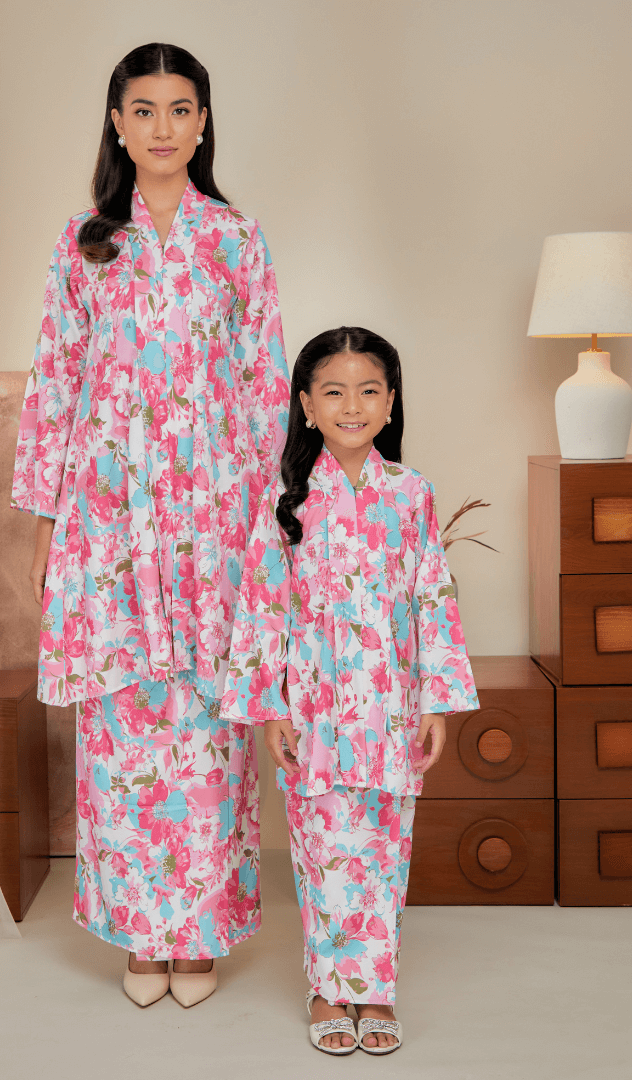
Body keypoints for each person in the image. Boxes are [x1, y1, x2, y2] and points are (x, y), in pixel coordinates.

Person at [12, 42, 290, 1008]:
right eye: (144, 109)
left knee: (211, 720)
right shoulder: (85, 241)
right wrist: (47, 528)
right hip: (109, 516)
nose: (163, 127)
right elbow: (54, 384)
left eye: (180, 109)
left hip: (215, 513)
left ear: (203, 123)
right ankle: (141, 930)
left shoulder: (237, 240)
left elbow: (266, 386)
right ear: (118, 123)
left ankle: (199, 932)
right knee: (123, 724)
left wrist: (270, 525)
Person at [221, 327, 478, 1053]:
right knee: (323, 848)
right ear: (306, 406)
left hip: (391, 707)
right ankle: (328, 989)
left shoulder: (412, 494)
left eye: (369, 391)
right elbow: (263, 607)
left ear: (391, 402)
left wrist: (436, 702)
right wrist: (269, 707)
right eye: (333, 392)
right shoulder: (286, 499)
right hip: (314, 710)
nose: (353, 406)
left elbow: (433, 597)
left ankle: (377, 989)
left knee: (385, 848)